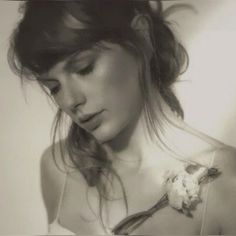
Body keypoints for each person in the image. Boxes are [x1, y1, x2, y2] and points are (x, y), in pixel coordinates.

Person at [8, 0, 236, 235]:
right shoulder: (58, 168)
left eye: (84, 68)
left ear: (142, 34)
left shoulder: (227, 184)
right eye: (54, 87)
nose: (69, 100)